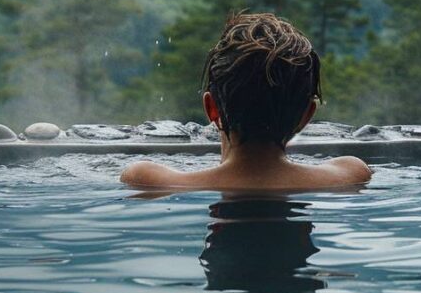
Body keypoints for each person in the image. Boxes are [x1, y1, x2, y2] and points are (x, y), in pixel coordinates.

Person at [121, 12, 370, 191]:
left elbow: (135, 172)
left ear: (211, 108)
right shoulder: (351, 174)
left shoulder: (148, 179)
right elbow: (352, 168)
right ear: (306, 116)